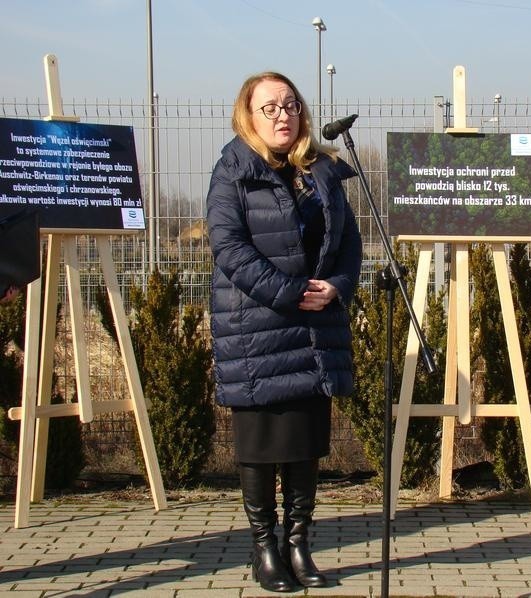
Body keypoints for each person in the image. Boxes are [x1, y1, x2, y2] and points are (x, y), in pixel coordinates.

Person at [206, 71, 362, 592]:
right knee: (262, 443)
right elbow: (228, 248)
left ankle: (299, 546)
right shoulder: (233, 170)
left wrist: (337, 287)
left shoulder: (322, 170)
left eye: (290, 105)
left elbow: (349, 246)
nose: (282, 115)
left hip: (315, 330)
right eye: (269, 107)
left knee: (304, 444)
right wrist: (288, 291)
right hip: (257, 331)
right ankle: (264, 549)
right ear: (247, 116)